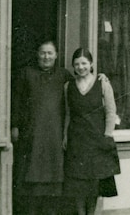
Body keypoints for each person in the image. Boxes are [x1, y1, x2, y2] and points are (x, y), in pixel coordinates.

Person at [11, 42, 109, 215]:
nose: (46, 57)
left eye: (50, 53)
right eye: (43, 53)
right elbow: (16, 101)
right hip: (33, 134)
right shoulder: (26, 74)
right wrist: (15, 125)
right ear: (37, 54)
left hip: (56, 135)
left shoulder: (64, 76)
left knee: (55, 179)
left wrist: (100, 77)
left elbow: (83, 85)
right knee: (31, 177)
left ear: (56, 55)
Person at [63, 48, 120, 215]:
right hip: (77, 140)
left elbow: (111, 112)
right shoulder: (68, 86)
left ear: (91, 64)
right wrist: (65, 136)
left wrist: (107, 136)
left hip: (96, 141)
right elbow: (68, 113)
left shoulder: (102, 83)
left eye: (84, 63)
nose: (81, 67)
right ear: (73, 66)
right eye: (77, 64)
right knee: (77, 184)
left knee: (93, 184)